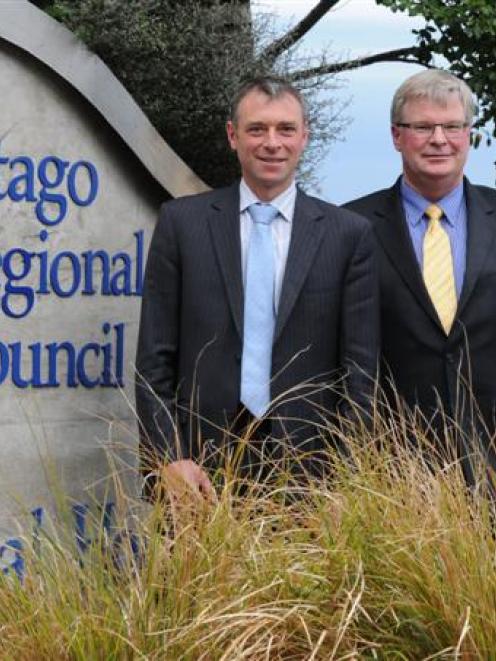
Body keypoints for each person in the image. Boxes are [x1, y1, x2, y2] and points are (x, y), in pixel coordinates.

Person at [136, 76, 378, 498]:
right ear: (233, 136)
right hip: (198, 473)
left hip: (314, 478)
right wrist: (168, 459)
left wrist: (347, 480)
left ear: (304, 137)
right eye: (256, 129)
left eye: (285, 129)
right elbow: (154, 361)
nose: (272, 142)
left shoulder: (348, 235)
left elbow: (360, 374)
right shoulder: (182, 224)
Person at [345, 69, 496, 483]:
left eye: (452, 126)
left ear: (469, 134)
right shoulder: (348, 228)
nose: (439, 139)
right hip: (393, 472)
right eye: (423, 126)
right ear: (397, 136)